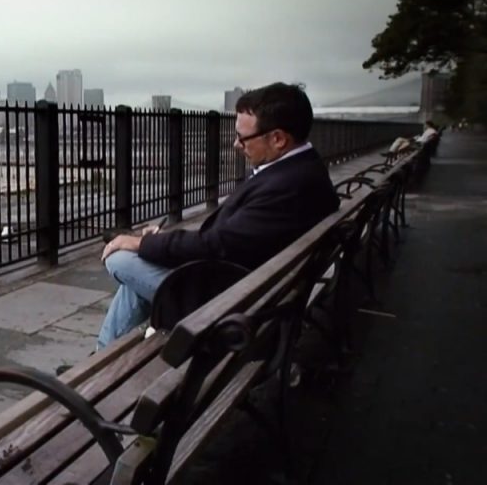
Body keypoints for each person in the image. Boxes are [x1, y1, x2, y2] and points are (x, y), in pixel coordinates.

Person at [97, 82, 340, 349]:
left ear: (278, 139)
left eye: (243, 137)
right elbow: (232, 239)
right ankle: (100, 356)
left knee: (119, 259)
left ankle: (97, 363)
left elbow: (216, 246)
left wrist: (140, 243)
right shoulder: (301, 171)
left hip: (231, 303)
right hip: (254, 287)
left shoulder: (288, 186)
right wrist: (161, 243)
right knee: (135, 271)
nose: (236, 144)